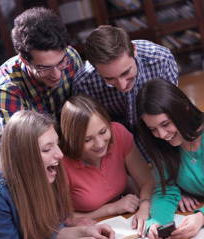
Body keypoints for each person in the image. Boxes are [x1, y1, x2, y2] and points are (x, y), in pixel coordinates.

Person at [0, 110, 114, 239]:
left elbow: (46, 231)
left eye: (57, 144)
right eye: (47, 149)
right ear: (23, 158)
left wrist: (84, 231)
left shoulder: (42, 175)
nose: (59, 154)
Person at [72, 25, 178, 159]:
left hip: (162, 136)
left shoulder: (161, 59)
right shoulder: (83, 83)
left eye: (126, 72)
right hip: (116, 147)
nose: (122, 86)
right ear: (94, 67)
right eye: (109, 79)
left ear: (134, 51)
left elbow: (172, 111)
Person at [60, 94, 154, 236]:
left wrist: (145, 206)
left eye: (103, 131)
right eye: (87, 140)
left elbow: (147, 181)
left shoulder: (118, 133)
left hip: (125, 222)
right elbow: (60, 219)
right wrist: (112, 208)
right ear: (72, 140)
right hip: (89, 232)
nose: (99, 144)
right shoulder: (61, 163)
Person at [136, 78, 204, 239]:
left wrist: (201, 217)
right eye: (153, 129)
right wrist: (157, 223)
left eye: (165, 124)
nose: (161, 134)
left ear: (184, 109)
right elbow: (165, 191)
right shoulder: (163, 147)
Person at [0, 6, 83, 130]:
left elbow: (84, 113)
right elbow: (22, 147)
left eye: (61, 63)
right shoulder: (6, 89)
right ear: (24, 60)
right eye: (44, 68)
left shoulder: (71, 58)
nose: (57, 74)